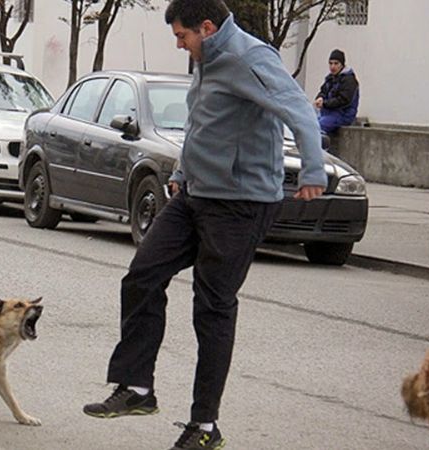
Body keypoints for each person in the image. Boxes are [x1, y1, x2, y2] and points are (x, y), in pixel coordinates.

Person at [81, 1, 327, 449]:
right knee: (142, 276)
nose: (179, 44)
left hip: (241, 202)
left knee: (211, 305)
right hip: (196, 193)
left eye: (182, 36)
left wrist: (314, 169)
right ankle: (137, 387)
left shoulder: (251, 58)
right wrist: (180, 173)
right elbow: (201, 122)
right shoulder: (207, 59)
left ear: (207, 27)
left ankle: (205, 427)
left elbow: (298, 109)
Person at [314, 49, 360, 135]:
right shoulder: (330, 78)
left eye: (336, 63)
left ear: (342, 65)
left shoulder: (349, 80)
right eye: (330, 63)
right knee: (309, 123)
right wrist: (320, 98)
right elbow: (323, 91)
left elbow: (343, 100)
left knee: (318, 127)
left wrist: (325, 103)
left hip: (343, 115)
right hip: (328, 113)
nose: (333, 67)